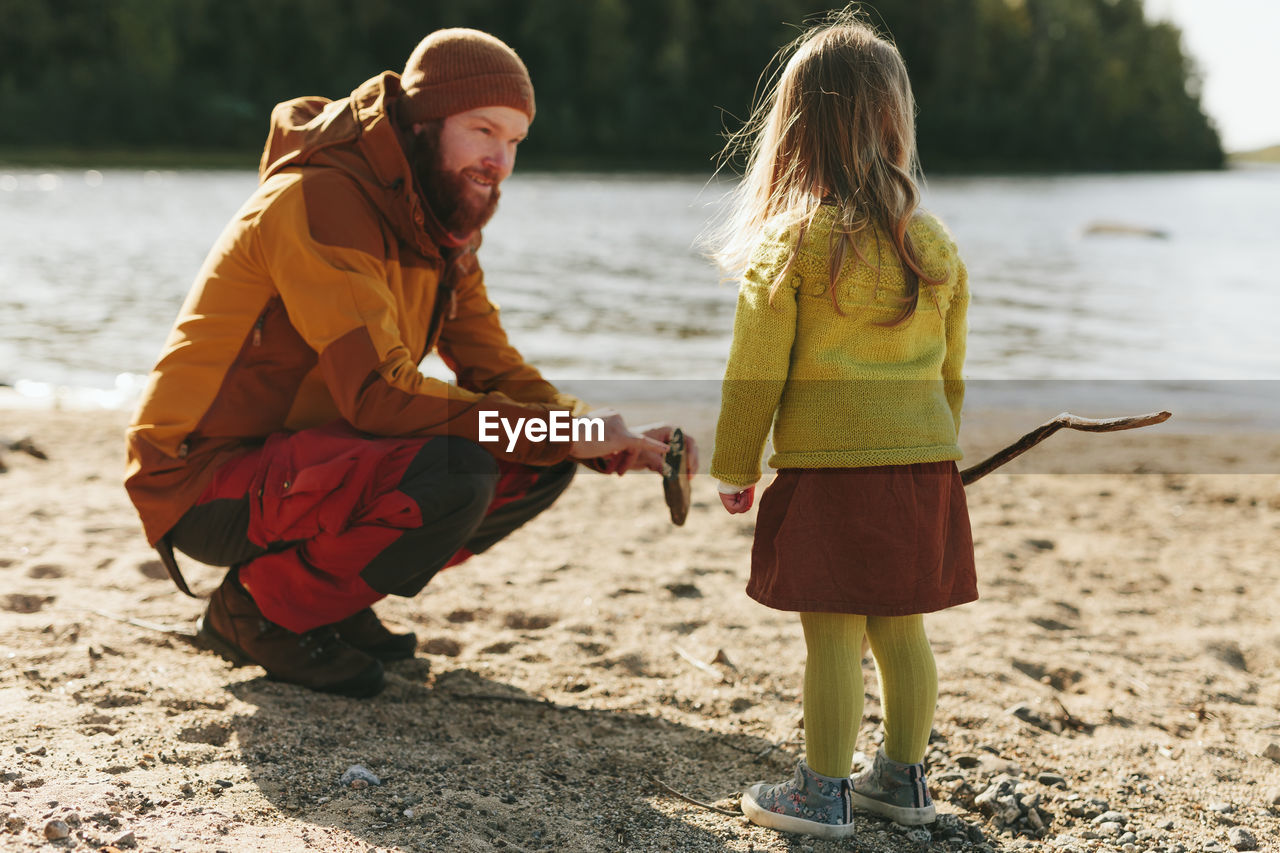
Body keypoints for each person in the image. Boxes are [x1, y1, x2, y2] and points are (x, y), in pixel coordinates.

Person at [125, 28, 685, 699]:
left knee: (536, 452)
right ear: (423, 122)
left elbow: (497, 369)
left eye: (513, 142)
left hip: (301, 464)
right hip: (205, 479)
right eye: (483, 131)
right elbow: (375, 392)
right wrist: (558, 431)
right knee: (460, 467)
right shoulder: (320, 201)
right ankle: (258, 607)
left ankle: (324, 592)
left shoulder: (438, 224)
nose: (499, 160)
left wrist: (591, 433)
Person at [708, 13, 975, 840]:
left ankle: (821, 792)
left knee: (831, 633)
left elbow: (754, 374)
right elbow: (950, 376)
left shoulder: (789, 246)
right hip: (921, 468)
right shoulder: (934, 245)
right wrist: (938, 453)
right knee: (902, 629)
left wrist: (734, 465)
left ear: (791, 133)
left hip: (831, 472)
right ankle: (904, 780)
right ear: (898, 123)